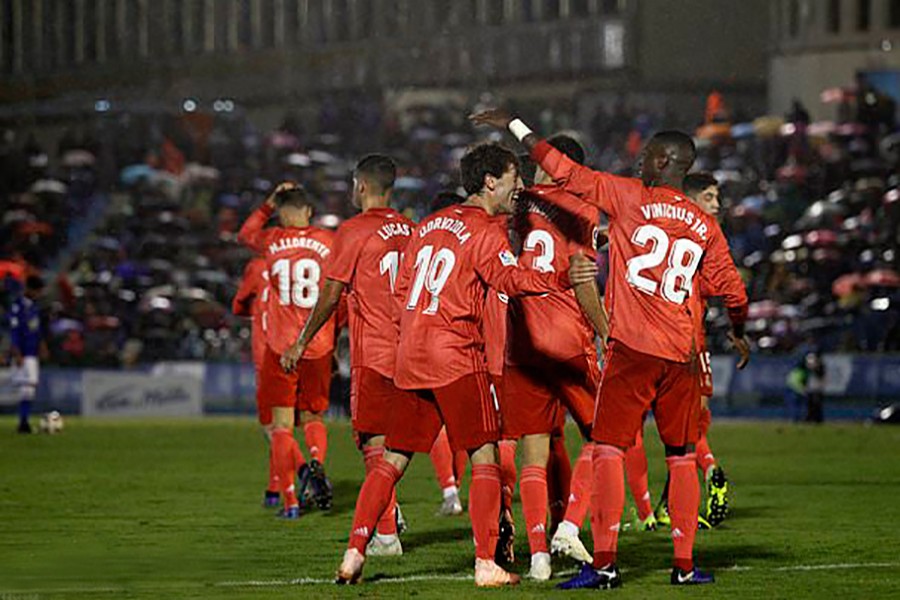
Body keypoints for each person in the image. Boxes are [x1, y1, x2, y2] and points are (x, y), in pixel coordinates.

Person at [471, 108, 750, 588]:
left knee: (605, 449)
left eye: (646, 156)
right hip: (682, 356)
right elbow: (734, 292)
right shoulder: (705, 225)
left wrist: (515, 125)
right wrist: (738, 331)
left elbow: (563, 169)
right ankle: (684, 567)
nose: (638, 162)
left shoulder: (627, 195)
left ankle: (604, 564)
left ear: (662, 161)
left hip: (632, 349)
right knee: (681, 456)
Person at [333, 143, 572, 587]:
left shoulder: (427, 225)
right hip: (457, 355)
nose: (520, 187)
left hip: (412, 354)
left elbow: (402, 290)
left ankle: (353, 553)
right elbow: (509, 279)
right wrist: (560, 276)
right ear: (490, 182)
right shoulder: (485, 229)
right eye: (514, 178)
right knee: (485, 457)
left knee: (392, 458)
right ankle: (485, 563)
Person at [283, 154, 417, 554]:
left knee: (373, 441)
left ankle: (386, 532)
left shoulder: (354, 230)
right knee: (403, 444)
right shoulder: (413, 229)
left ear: (360, 186)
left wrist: (302, 341)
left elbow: (330, 294)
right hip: (413, 350)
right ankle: (392, 514)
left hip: (375, 351)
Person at [499, 133, 604, 580]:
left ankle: (538, 556)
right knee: (607, 436)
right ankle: (572, 524)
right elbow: (582, 279)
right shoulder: (580, 209)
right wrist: (607, 331)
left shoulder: (514, 205)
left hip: (522, 341)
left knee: (533, 453)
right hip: (566, 339)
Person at [238, 182, 336, 518]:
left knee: (281, 426)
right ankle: (317, 461)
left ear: (281, 213)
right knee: (313, 417)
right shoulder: (329, 241)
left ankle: (291, 503)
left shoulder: (272, 239)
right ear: (308, 211)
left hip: (281, 346)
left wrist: (267, 204)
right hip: (317, 344)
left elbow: (245, 234)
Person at [232, 256, 280, 507]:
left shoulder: (258, 266)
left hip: (266, 356)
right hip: (300, 350)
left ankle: (300, 473)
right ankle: (275, 487)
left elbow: (237, 305)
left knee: (273, 427)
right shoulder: (304, 256)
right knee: (306, 421)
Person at [7, 275, 47, 434]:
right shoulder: (18, 306)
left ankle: (24, 422)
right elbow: (14, 330)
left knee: (29, 388)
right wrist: (17, 352)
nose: (39, 294)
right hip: (23, 352)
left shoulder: (33, 308)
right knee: (26, 388)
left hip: (32, 352)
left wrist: (42, 346)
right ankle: (23, 423)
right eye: (38, 291)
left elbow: (36, 330)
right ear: (29, 289)